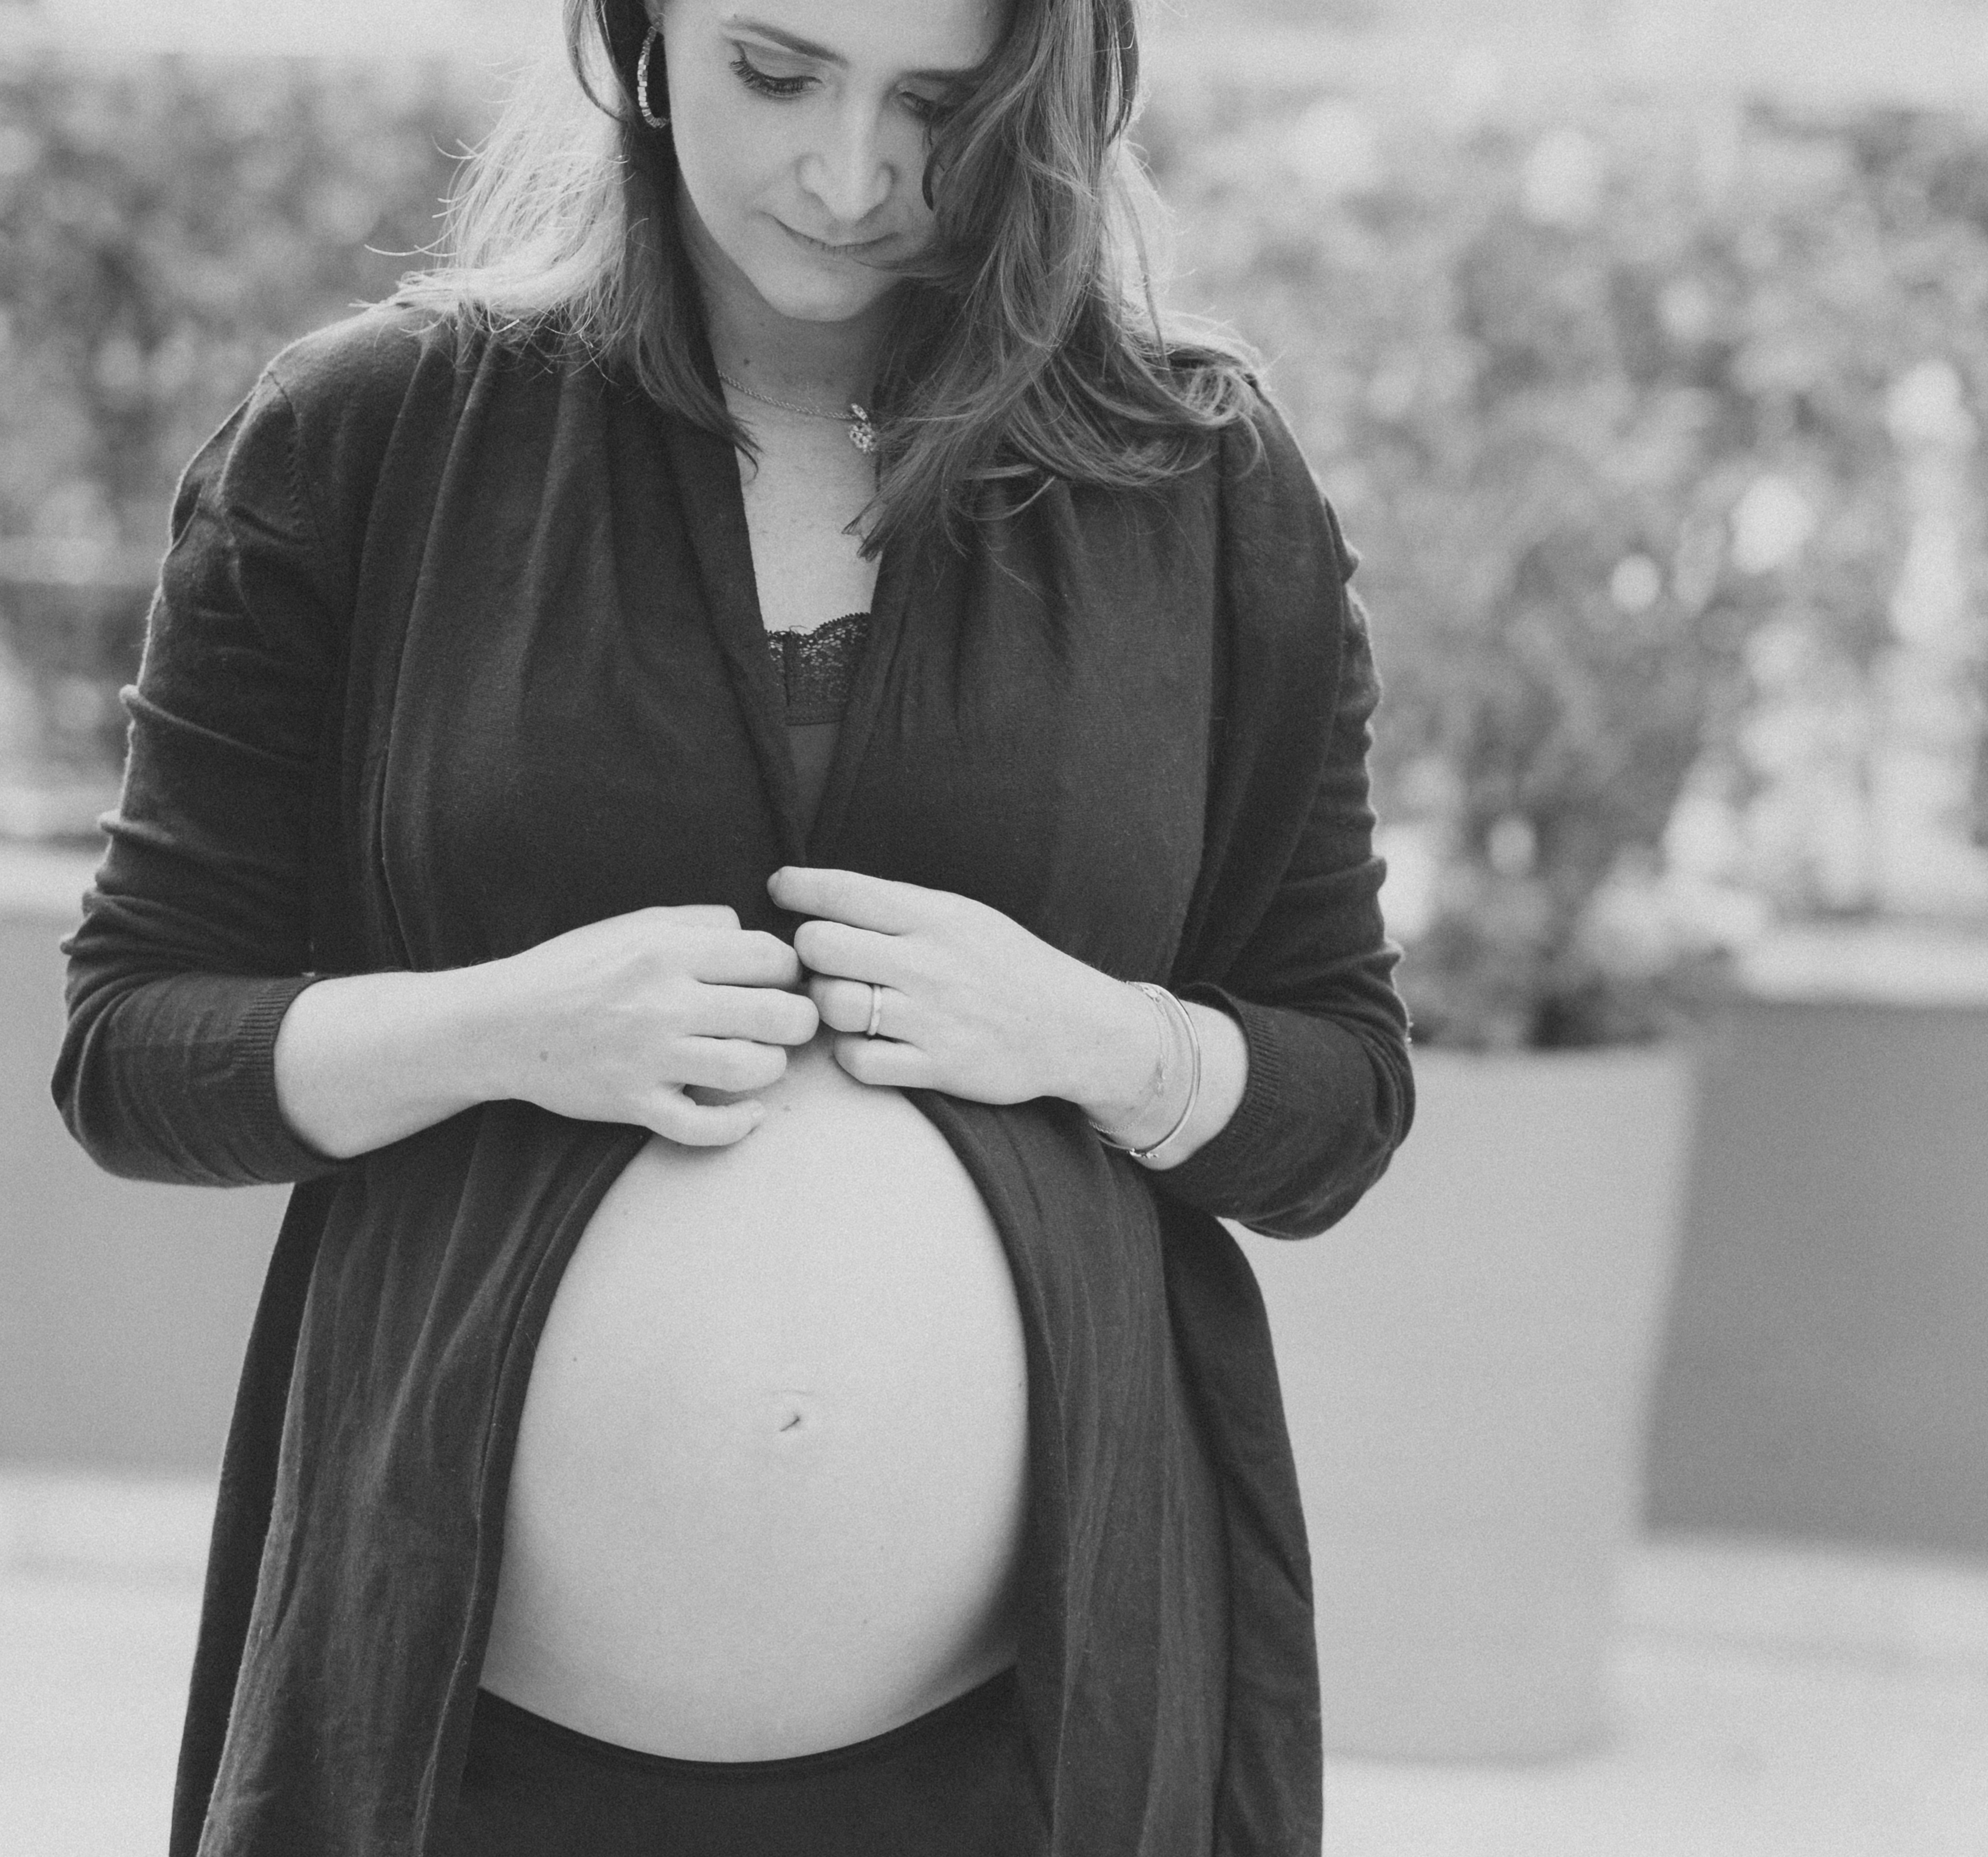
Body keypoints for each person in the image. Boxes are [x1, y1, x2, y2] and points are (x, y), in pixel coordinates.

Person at [50, 0, 1412, 1851]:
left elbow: (1336, 1097)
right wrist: (497, 1028)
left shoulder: (1199, 479)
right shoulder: (371, 438)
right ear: (642, 35)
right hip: (461, 1749)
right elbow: (130, 1052)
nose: (851, 179)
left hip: (1028, 1754)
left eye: (940, 102)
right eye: (776, 72)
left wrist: (1105, 1042)